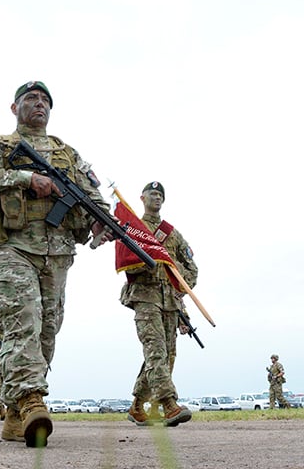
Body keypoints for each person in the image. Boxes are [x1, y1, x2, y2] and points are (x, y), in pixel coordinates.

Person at [0, 80, 112, 447]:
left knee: (47, 332)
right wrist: (27, 178)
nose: (39, 104)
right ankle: (32, 400)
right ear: (14, 108)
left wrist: (100, 221)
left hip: (58, 252)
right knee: (22, 324)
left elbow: (94, 196)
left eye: (45, 99)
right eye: (30, 98)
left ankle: (16, 412)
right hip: (13, 248)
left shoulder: (68, 154)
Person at [121, 182, 197, 427]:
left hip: (170, 303)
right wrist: (147, 263)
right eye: (152, 194)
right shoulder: (134, 227)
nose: (157, 197)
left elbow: (191, 269)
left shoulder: (173, 234)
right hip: (145, 298)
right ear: (142, 198)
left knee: (165, 356)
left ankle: (136, 405)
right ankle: (168, 404)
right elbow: (125, 261)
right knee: (156, 352)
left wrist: (179, 286)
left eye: (160, 195)